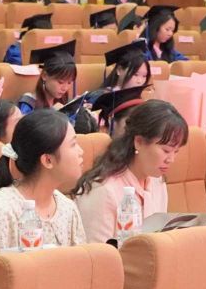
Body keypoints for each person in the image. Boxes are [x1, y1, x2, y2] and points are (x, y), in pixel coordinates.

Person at [0, 109, 87, 280]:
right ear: (47, 160)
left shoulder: (68, 209)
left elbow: (80, 275)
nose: (81, 151)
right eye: (73, 144)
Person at [74, 100, 188, 242]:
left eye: (176, 152)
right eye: (166, 151)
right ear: (139, 142)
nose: (171, 159)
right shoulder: (103, 190)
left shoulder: (157, 181)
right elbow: (97, 252)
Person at [20, 44, 96, 134]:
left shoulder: (65, 103)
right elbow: (25, 132)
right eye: (60, 82)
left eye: (69, 82)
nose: (65, 88)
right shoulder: (29, 103)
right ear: (44, 75)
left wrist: (80, 111)